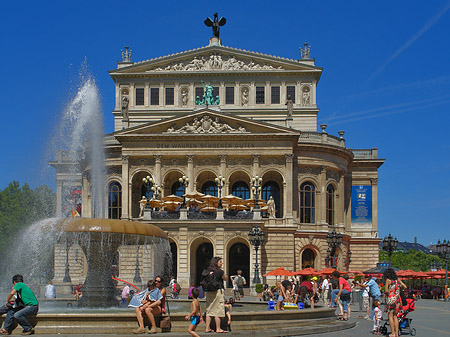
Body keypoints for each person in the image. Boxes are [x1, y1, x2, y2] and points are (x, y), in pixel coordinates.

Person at [203, 256, 228, 333]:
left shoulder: (208, 270)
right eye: (220, 262)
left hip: (209, 291)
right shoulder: (219, 271)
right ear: (216, 263)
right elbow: (226, 278)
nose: (221, 263)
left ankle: (207, 328)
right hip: (217, 291)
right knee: (218, 309)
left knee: (209, 309)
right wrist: (223, 273)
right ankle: (218, 328)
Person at [384, 268, 406, 337]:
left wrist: (389, 292)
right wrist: (398, 289)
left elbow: (386, 291)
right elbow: (405, 286)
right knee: (395, 316)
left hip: (391, 299)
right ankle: (396, 333)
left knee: (390, 316)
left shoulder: (388, 280)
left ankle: (392, 333)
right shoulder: (397, 280)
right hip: (398, 299)